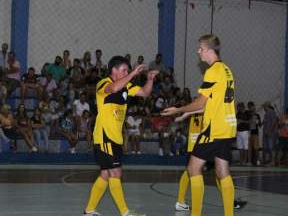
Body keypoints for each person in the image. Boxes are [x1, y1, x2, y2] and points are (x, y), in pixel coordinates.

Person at [162, 35, 237, 216]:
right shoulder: (227, 70)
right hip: (228, 128)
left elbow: (201, 103)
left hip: (214, 128)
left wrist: (178, 109)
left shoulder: (212, 71)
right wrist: (189, 112)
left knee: (193, 168)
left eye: (200, 49)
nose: (198, 52)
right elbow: (216, 103)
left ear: (210, 50)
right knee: (222, 171)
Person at [83, 56, 158, 216]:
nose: (126, 72)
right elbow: (113, 89)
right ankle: (125, 212)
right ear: (114, 70)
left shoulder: (127, 86)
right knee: (116, 173)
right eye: (124, 70)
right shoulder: (103, 83)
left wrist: (150, 79)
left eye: (127, 70)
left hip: (116, 137)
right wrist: (132, 74)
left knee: (105, 174)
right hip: (105, 136)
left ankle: (89, 210)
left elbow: (144, 93)